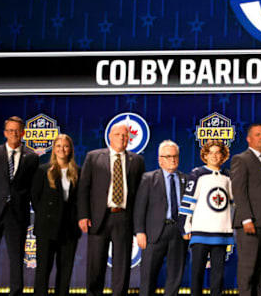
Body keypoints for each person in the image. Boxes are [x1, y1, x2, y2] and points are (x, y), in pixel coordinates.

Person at [77, 122, 145, 296]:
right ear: (109, 137)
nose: (121, 138)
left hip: (124, 218)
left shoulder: (136, 161)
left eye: (125, 135)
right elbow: (84, 188)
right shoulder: (93, 157)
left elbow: (140, 194)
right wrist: (83, 215)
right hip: (99, 217)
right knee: (95, 264)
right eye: (117, 135)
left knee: (122, 266)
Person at [0, 116, 39, 296]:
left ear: (23, 133)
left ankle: (16, 292)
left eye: (17, 130)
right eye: (10, 130)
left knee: (17, 258)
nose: (14, 134)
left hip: (17, 215)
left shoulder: (32, 157)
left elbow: (32, 189)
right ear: (5, 133)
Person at [179, 140, 235, 296]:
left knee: (218, 277)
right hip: (200, 232)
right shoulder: (197, 174)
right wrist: (185, 226)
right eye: (211, 152)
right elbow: (188, 201)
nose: (215, 156)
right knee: (197, 274)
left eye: (218, 152)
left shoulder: (228, 176)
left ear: (223, 155)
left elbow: (233, 201)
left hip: (221, 233)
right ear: (205, 155)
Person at [134, 140, 188, 296]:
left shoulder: (186, 179)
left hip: (179, 233)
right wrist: (139, 231)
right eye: (168, 156)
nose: (172, 160)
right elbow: (139, 207)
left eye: (175, 156)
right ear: (160, 159)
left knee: (175, 276)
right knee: (148, 276)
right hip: (154, 233)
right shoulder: (148, 179)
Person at [231, 124, 261, 296]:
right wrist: (246, 219)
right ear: (249, 139)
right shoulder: (241, 159)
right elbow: (239, 191)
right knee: (248, 269)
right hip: (250, 224)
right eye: (258, 135)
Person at [31, 134, 81, 296]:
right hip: (47, 228)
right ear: (54, 149)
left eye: (65, 146)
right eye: (58, 146)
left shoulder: (78, 172)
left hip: (69, 229)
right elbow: (35, 197)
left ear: (70, 149)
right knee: (43, 270)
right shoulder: (43, 171)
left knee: (65, 272)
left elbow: (80, 199)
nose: (62, 149)